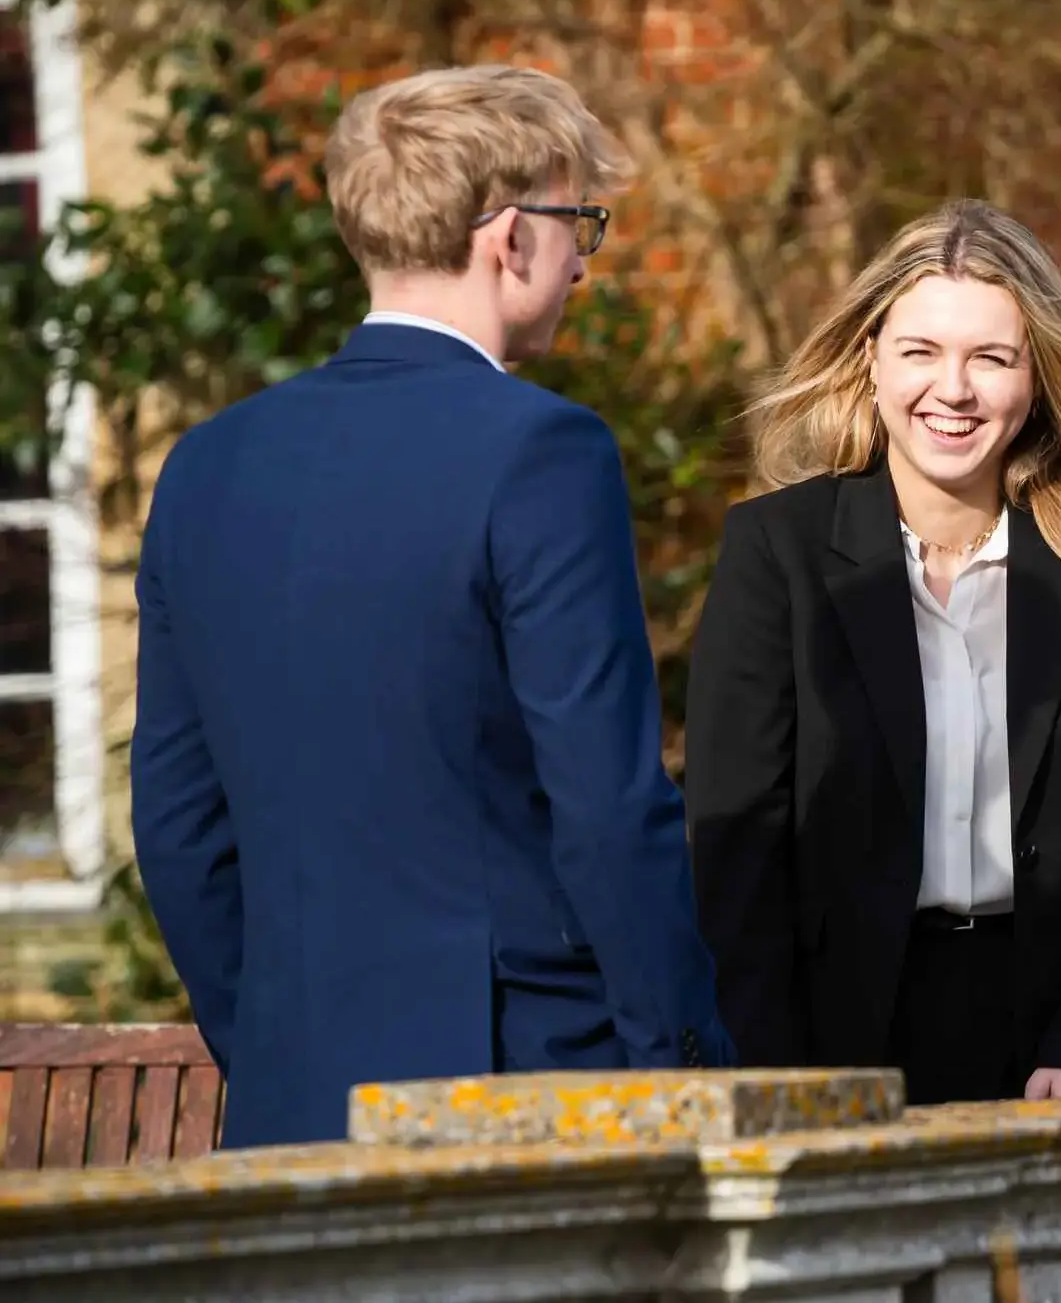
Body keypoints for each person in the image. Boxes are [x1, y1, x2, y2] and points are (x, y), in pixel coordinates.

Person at [131, 65, 734, 1149]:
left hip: (290, 1095)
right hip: (522, 1087)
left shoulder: (205, 467)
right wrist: (683, 1063)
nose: (583, 261)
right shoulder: (542, 450)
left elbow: (179, 829)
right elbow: (606, 802)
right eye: (577, 223)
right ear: (509, 238)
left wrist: (269, 1037)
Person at [684, 199, 1061, 1104]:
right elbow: (735, 847)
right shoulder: (779, 552)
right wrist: (781, 1077)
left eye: (991, 358)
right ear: (872, 361)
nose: (954, 389)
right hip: (837, 1047)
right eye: (921, 352)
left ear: (1038, 377)